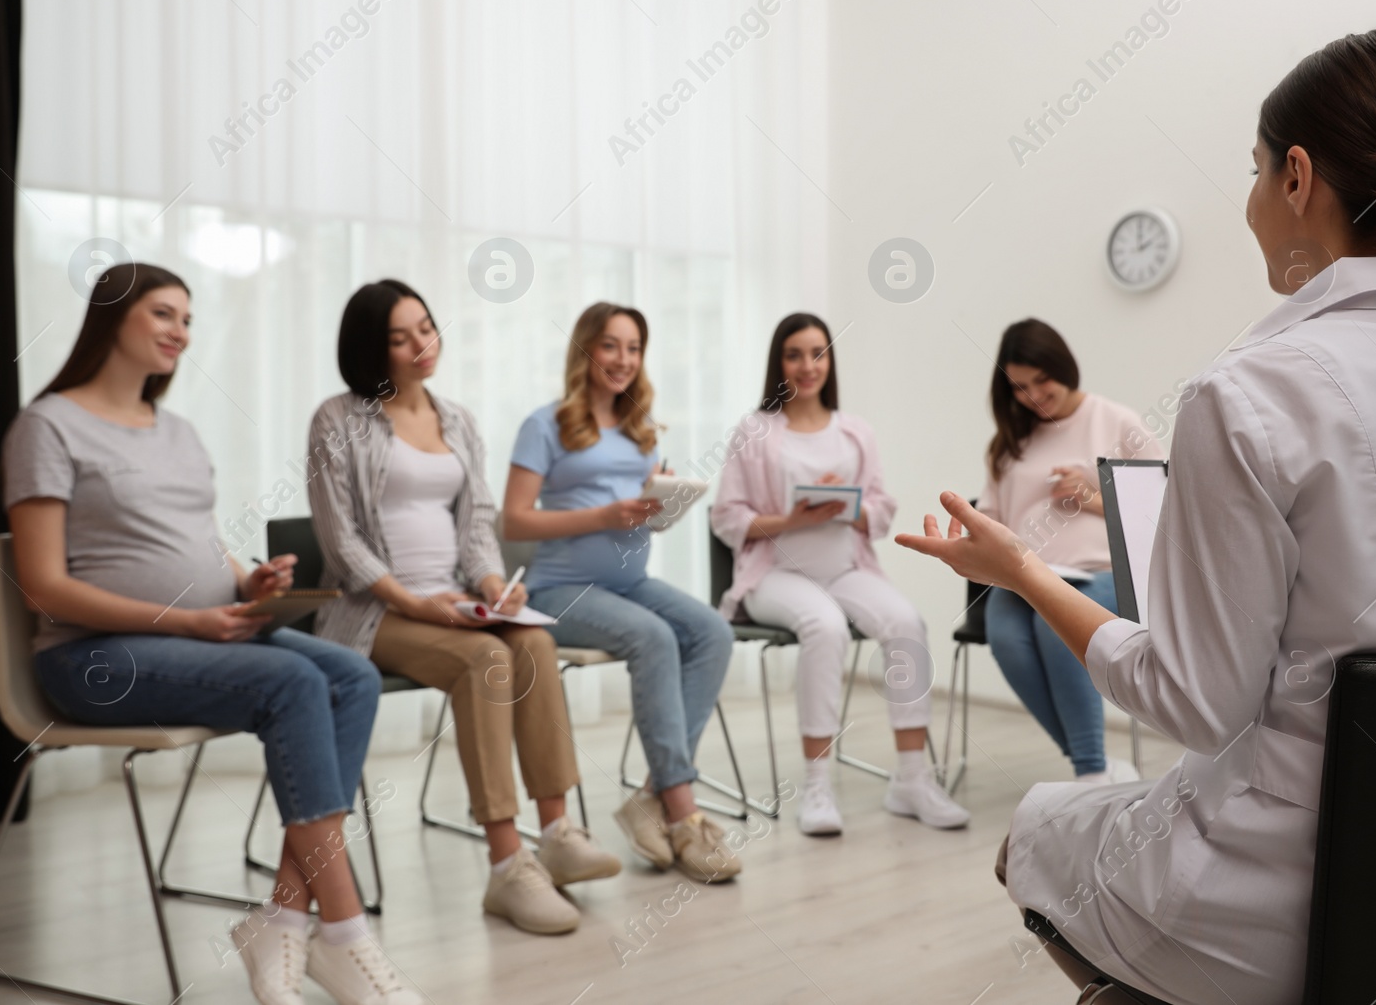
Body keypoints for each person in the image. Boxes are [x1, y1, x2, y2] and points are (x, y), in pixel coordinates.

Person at [898, 26, 1376, 1004]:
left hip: (1301, 877)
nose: (1253, 200)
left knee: (1032, 836)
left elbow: (1197, 700)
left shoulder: (1253, 390)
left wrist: (1021, 568)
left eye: (1255, 172)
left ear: (1296, 177)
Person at [2, 264, 422, 1005]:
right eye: (163, 313)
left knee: (349, 675)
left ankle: (285, 914)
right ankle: (346, 932)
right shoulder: (48, 425)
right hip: (91, 658)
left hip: (202, 639)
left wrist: (250, 581)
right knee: (294, 681)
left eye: (188, 319)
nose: (180, 332)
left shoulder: (180, 431)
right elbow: (42, 584)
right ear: (112, 318)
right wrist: (186, 619)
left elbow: (199, 544)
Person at [308, 280, 620, 936]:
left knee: (532, 643)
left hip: (452, 599)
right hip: (375, 610)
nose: (423, 344)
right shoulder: (337, 420)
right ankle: (507, 864)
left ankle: (558, 832)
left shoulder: (458, 420)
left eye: (426, 326)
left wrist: (491, 582)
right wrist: (415, 601)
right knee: (486, 658)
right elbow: (341, 542)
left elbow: (478, 521)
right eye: (401, 336)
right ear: (373, 348)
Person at [502, 302, 742, 883]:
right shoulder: (545, 425)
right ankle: (681, 809)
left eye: (634, 348)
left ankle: (650, 794)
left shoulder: (641, 429)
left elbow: (636, 513)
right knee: (655, 638)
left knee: (712, 631)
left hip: (631, 582)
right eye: (611, 345)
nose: (623, 359)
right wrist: (603, 515)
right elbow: (514, 521)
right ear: (586, 349)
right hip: (561, 589)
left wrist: (658, 503)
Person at [711, 312, 970, 835]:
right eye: (794, 355)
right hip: (774, 575)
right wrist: (791, 519)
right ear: (778, 363)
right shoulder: (754, 430)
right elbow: (726, 516)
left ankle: (913, 780)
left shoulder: (855, 432)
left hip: (846, 568)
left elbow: (880, 507)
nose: (807, 366)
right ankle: (817, 785)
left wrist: (848, 507)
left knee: (906, 622)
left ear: (830, 360)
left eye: (818, 354)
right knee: (825, 627)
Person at [975, 318, 1161, 785]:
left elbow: (1158, 515)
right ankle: (1096, 766)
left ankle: (1090, 773)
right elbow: (992, 516)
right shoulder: (1008, 443)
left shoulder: (1116, 421)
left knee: (1051, 623)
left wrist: (1092, 493)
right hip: (1025, 574)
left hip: (1103, 573)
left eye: (1043, 381)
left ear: (1064, 368)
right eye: (1020, 387)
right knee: (1007, 640)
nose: (1035, 396)